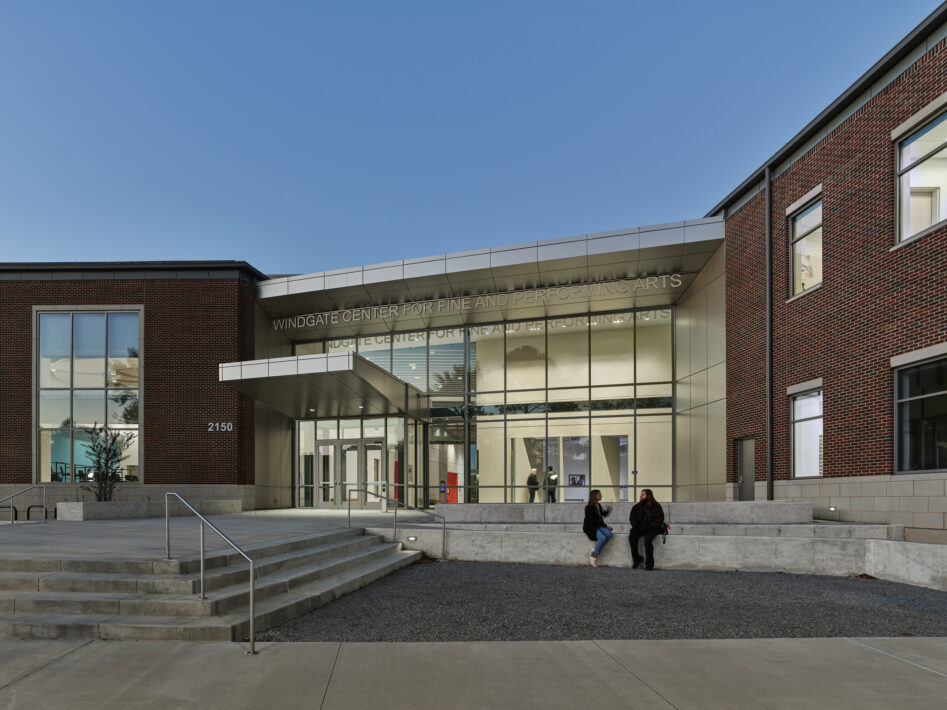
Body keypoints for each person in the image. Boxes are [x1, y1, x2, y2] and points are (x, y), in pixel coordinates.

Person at [628, 488, 665, 570]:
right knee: (632, 537)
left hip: (652, 528)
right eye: (641, 495)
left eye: (643, 495)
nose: (641, 496)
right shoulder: (637, 506)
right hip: (640, 528)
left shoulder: (656, 506)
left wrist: (651, 526)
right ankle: (637, 559)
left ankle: (649, 564)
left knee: (647, 540)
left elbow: (660, 519)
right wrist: (636, 526)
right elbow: (632, 518)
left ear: (649, 496)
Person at [582, 489, 613, 566]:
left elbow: (602, 515)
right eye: (599, 494)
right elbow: (594, 520)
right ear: (594, 496)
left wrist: (607, 510)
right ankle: (594, 556)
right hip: (590, 527)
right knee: (602, 538)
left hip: (597, 525)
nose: (601, 496)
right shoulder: (589, 507)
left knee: (609, 534)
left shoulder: (598, 505)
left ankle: (595, 549)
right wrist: (606, 526)